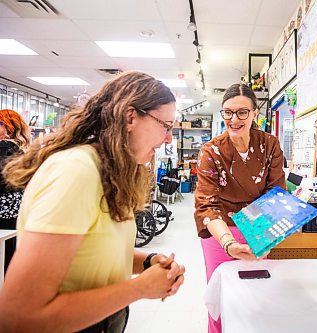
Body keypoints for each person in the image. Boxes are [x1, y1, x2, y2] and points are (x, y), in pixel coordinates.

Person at [0, 71, 185, 332]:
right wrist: (139, 288)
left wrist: (147, 261)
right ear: (131, 117)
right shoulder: (76, 171)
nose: (168, 138)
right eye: (165, 126)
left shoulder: (108, 170)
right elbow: (20, 315)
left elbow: (92, 251)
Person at [194, 83, 286, 333]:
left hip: (258, 228)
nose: (234, 119)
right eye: (228, 112)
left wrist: (263, 236)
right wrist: (227, 242)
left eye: (242, 112)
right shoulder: (211, 150)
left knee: (255, 295)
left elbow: (276, 195)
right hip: (219, 231)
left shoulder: (270, 145)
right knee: (221, 297)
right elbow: (207, 204)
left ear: (255, 113)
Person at [0, 109, 31, 274]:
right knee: (10, 250)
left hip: (3, 207)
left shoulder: (4, 147)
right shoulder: (18, 148)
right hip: (15, 208)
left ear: (8, 127)